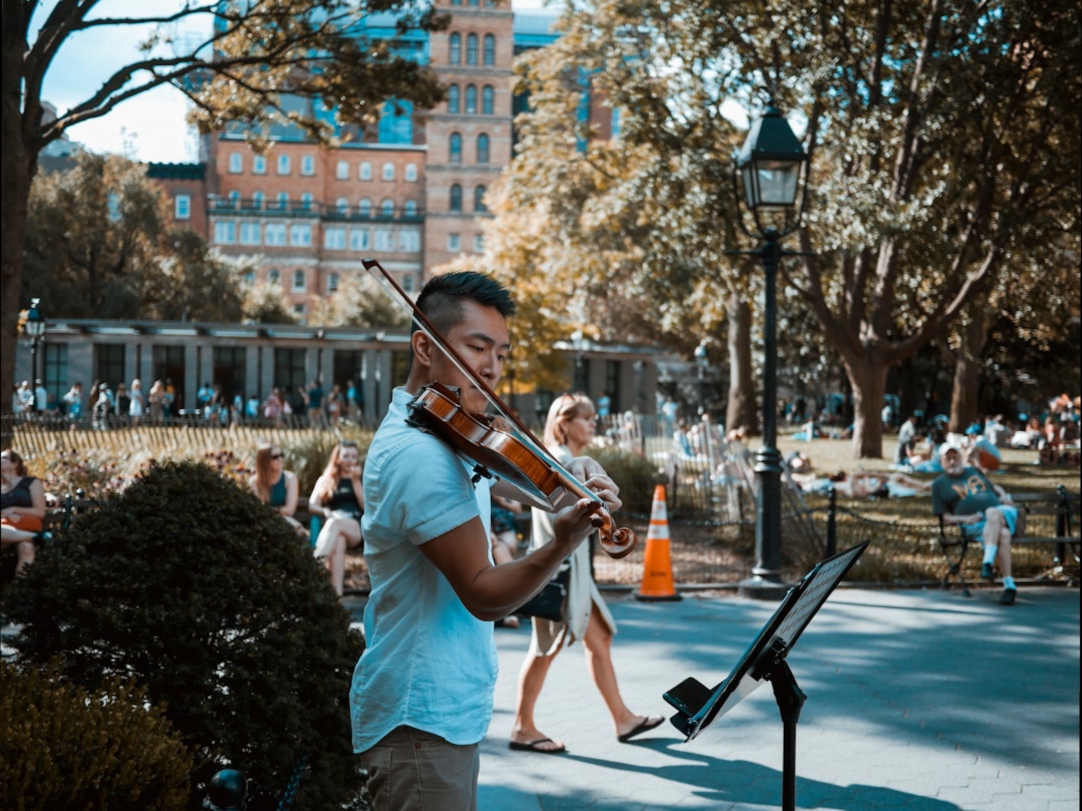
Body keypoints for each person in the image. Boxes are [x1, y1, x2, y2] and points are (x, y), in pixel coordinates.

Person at [352, 271, 623, 809]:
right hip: (420, 718)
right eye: (477, 347)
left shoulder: (445, 431)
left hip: (440, 714)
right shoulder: (419, 454)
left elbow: (522, 478)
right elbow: (481, 592)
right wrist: (561, 543)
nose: (493, 368)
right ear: (425, 346)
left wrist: (571, 474)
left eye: (501, 352)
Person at [510, 393, 663, 755]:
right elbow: (557, 518)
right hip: (558, 574)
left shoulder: (570, 461)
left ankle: (622, 718)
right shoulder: (559, 461)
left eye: (594, 417)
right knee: (545, 648)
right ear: (564, 423)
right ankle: (521, 727)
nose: (593, 423)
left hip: (573, 574)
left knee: (599, 639)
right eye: (586, 417)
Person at [931, 444, 1019, 605]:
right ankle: (1009, 586)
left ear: (961, 458)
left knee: (992, 512)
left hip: (1001, 513)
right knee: (1003, 535)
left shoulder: (973, 471)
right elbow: (945, 518)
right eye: (947, 458)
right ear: (941, 462)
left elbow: (994, 487)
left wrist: (1004, 494)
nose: (952, 461)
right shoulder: (939, 484)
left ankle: (987, 563)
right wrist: (964, 519)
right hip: (977, 525)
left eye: (955, 457)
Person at [309, 441, 364, 596]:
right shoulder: (326, 479)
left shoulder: (360, 478)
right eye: (346, 456)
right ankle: (336, 598)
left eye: (353, 456)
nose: (350, 460)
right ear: (338, 458)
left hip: (355, 526)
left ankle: (314, 565)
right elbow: (312, 505)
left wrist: (355, 481)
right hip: (334, 527)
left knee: (335, 525)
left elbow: (365, 507)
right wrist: (326, 512)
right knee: (338, 542)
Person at [1, 450, 47, 575]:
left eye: (3, 458)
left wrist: (14, 509)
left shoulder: (31, 483)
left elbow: (40, 512)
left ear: (15, 464)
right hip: (5, 529)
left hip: (26, 527)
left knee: (26, 547)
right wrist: (7, 515)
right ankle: (40, 537)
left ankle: (20, 591)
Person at [249, 444, 307, 538]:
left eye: (281, 455)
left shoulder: (290, 478)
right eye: (275, 457)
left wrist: (270, 510)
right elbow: (258, 510)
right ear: (265, 461)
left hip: (285, 521)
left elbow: (289, 510)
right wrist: (278, 511)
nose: (280, 459)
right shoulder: (254, 482)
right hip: (264, 523)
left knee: (295, 529)